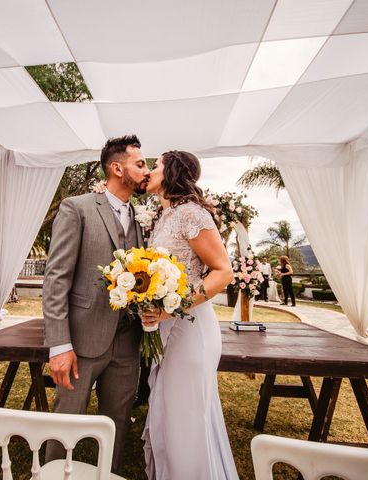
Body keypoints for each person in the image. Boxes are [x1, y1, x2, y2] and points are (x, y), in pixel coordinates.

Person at [43, 135, 150, 473]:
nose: (146, 171)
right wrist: (60, 344)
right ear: (117, 168)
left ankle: (110, 473)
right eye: (140, 164)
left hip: (127, 340)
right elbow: (56, 277)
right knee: (67, 421)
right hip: (81, 341)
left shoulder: (141, 217)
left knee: (117, 421)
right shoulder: (78, 207)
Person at [140, 151, 239, 479]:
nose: (150, 169)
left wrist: (173, 307)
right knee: (168, 416)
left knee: (186, 419)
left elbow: (223, 271)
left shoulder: (191, 214)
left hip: (190, 329)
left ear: (172, 172)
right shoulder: (164, 215)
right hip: (167, 329)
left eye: (155, 165)